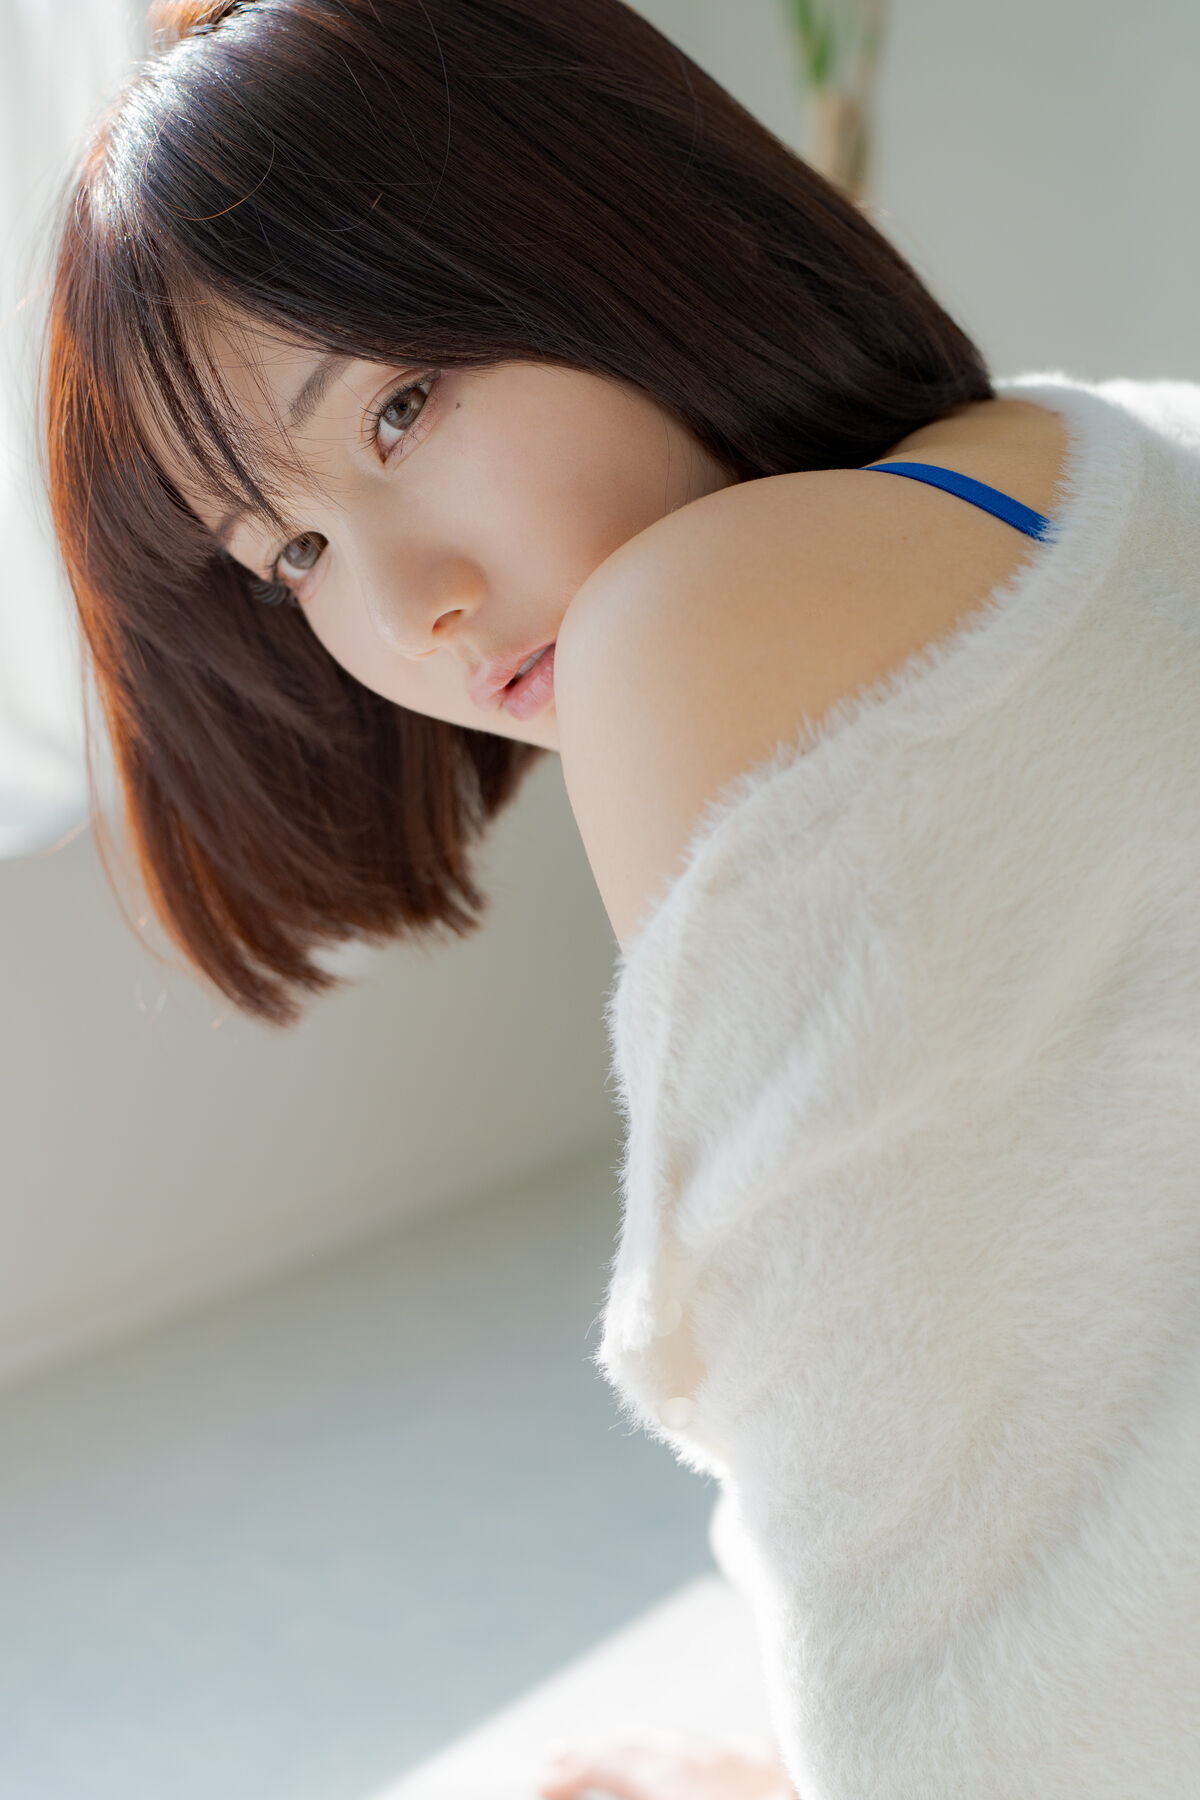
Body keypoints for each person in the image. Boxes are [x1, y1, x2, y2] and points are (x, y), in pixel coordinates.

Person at [42, 2, 1200, 1795]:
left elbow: (898, 1521)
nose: (405, 607)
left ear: (600, 219)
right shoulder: (1108, 443)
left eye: (400, 408)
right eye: (292, 554)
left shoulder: (690, 628)